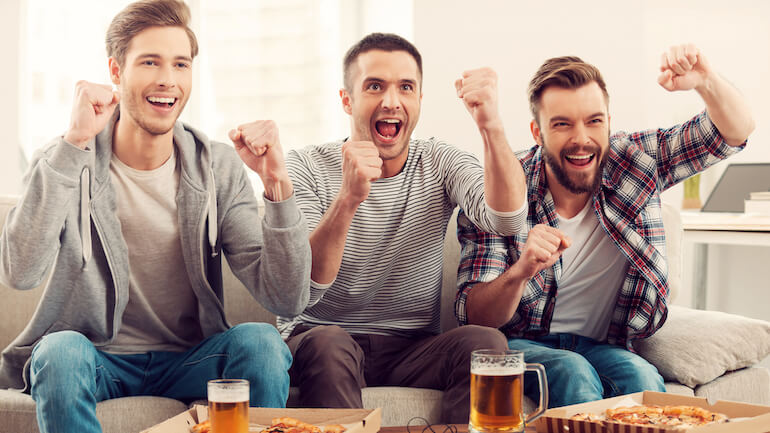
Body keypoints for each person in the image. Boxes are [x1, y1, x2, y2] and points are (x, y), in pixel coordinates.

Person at [0, 1, 311, 431]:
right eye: (150, 61)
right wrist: (73, 143)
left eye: (180, 64)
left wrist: (276, 185)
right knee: (58, 352)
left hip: (191, 359)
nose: (168, 79)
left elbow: (286, 298)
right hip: (95, 359)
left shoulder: (216, 166)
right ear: (115, 70)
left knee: (261, 342)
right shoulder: (66, 160)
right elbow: (20, 273)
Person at [456, 44, 754, 408]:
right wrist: (522, 270)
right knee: (572, 370)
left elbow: (733, 133)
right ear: (538, 132)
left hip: (606, 345)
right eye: (562, 124)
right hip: (520, 344)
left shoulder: (635, 161)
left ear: (609, 123)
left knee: (641, 377)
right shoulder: (502, 188)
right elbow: (475, 316)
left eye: (594, 121)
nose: (581, 139)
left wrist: (705, 80)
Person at [280, 33, 528, 423]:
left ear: (419, 102)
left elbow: (507, 219)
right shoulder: (305, 165)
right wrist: (348, 198)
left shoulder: (440, 160)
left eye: (406, 88)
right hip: (320, 336)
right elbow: (306, 283)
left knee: (487, 344)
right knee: (330, 343)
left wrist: (490, 124)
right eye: (374, 86)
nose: (391, 101)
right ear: (347, 100)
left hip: (411, 347)